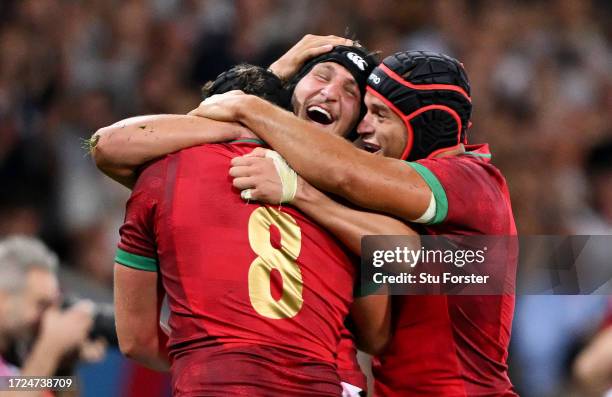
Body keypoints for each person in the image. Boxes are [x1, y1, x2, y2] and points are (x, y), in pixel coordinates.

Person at [191, 50, 518, 396]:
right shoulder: (404, 208)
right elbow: (375, 338)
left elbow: (344, 173)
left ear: (425, 124)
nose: (363, 127)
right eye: (365, 111)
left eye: (379, 115)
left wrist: (250, 107)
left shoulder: (471, 183)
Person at [93, 35, 388, 396]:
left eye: (349, 92)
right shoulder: (356, 203)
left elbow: (137, 341)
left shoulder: (162, 173)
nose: (330, 94)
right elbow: (378, 331)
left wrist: (210, 361)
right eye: (322, 76)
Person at [0, 236, 99, 397]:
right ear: (3, 299)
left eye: (53, 306)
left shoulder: (18, 355)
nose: (49, 317)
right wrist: (49, 349)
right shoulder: (36, 358)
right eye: (41, 305)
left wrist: (63, 364)